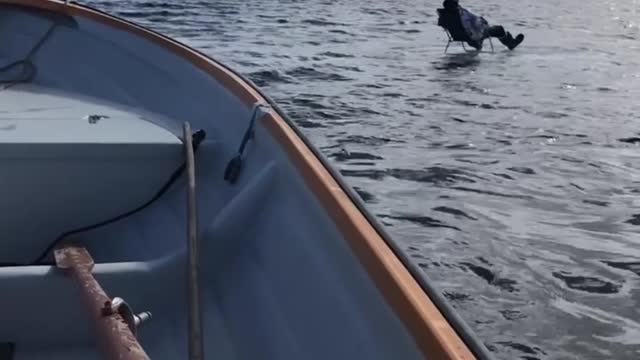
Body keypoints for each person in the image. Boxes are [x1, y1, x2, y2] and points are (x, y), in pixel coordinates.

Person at [437, 0, 524, 51]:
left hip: (461, 36)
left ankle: (477, 44)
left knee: (476, 30)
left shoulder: (444, 14)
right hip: (474, 35)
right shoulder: (461, 14)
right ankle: (511, 43)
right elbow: (476, 23)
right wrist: (483, 22)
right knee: (499, 29)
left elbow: (442, 24)